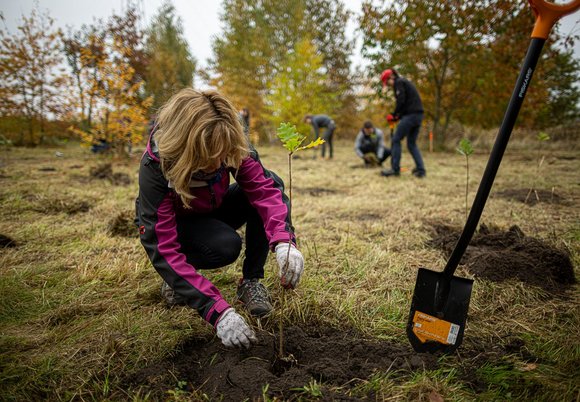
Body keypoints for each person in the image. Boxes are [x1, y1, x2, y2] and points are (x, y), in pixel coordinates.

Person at [135, 88, 304, 349]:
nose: (218, 164)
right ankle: (178, 281)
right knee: (225, 246)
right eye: (208, 157)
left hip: (215, 206)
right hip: (180, 225)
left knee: (273, 182)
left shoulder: (227, 139)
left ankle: (251, 281)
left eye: (221, 155)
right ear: (187, 146)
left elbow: (265, 190)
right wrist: (218, 311)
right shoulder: (156, 166)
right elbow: (163, 246)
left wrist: (285, 241)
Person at [379, 68, 426, 178]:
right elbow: (406, 104)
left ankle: (395, 169)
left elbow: (401, 101)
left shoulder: (399, 82)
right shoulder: (405, 83)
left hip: (411, 115)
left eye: (387, 82)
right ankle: (421, 170)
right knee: (411, 144)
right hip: (418, 115)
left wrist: (394, 115)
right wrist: (397, 117)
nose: (389, 85)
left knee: (396, 139)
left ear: (391, 77)